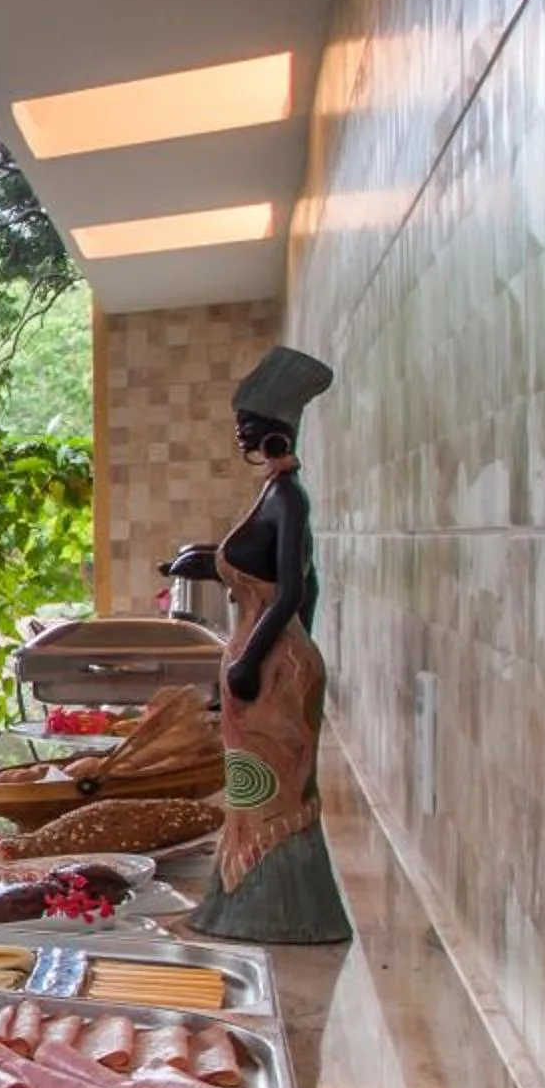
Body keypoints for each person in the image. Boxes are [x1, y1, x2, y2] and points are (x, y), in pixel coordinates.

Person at [192, 346, 351, 943]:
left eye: (248, 430)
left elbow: (291, 591)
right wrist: (204, 562)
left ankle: (280, 908)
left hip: (274, 668)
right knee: (252, 787)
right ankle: (245, 903)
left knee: (272, 795)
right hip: (266, 659)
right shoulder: (274, 494)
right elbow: (285, 580)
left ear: (276, 433)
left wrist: (255, 659)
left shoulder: (288, 498)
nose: (241, 439)